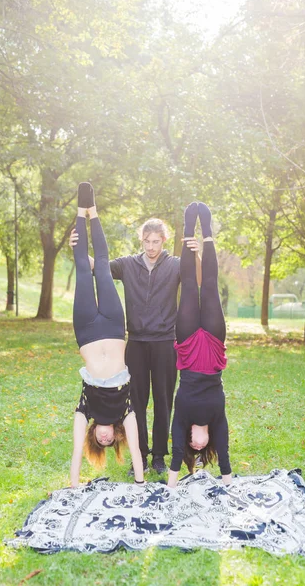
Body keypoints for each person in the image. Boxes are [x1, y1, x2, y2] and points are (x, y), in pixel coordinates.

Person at [71, 215, 199, 474]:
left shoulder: (175, 265)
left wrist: (199, 252)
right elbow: (99, 267)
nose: (151, 247)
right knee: (136, 404)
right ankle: (139, 455)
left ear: (163, 241)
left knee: (163, 402)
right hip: (136, 343)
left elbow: (198, 277)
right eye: (147, 241)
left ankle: (160, 456)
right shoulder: (128, 264)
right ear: (141, 240)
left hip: (165, 342)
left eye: (156, 241)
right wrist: (78, 247)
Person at [69, 182, 144, 488]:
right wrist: (140, 485)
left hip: (86, 329)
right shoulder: (125, 411)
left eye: (99, 439)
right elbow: (137, 452)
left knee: (81, 267)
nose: (104, 436)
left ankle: (79, 211)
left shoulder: (83, 409)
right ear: (116, 435)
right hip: (113, 326)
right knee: (101, 266)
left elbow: (75, 452)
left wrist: (73, 487)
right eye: (109, 439)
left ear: (94, 437)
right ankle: (93, 211)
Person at [167, 202, 232, 489]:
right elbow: (226, 456)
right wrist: (227, 481)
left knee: (190, 288)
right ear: (206, 445)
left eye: (190, 444)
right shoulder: (217, 422)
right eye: (198, 446)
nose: (195, 442)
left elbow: (176, 451)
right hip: (214, 350)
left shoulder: (182, 417)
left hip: (190, 350)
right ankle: (207, 233)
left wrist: (172, 483)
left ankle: (186, 230)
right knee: (210, 286)